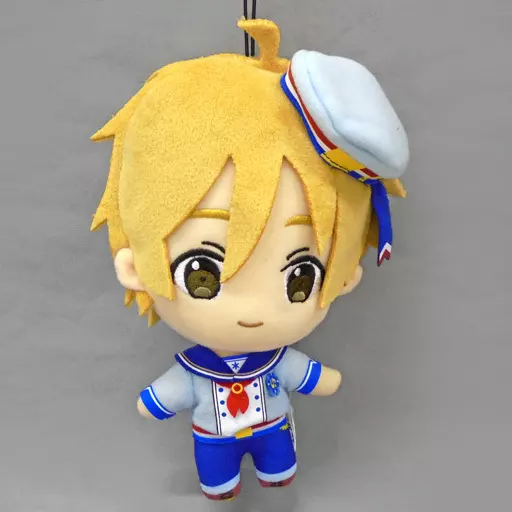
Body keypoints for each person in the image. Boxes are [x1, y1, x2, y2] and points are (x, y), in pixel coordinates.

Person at [91, 18, 408, 501]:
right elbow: (162, 398)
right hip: (213, 440)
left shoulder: (277, 360)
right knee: (217, 473)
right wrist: (153, 403)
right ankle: (221, 484)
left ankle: (275, 474)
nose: (254, 311)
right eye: (202, 273)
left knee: (278, 464)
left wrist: (324, 380)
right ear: (134, 267)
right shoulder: (197, 369)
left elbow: (310, 377)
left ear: (344, 277)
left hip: (273, 431)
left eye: (301, 279)